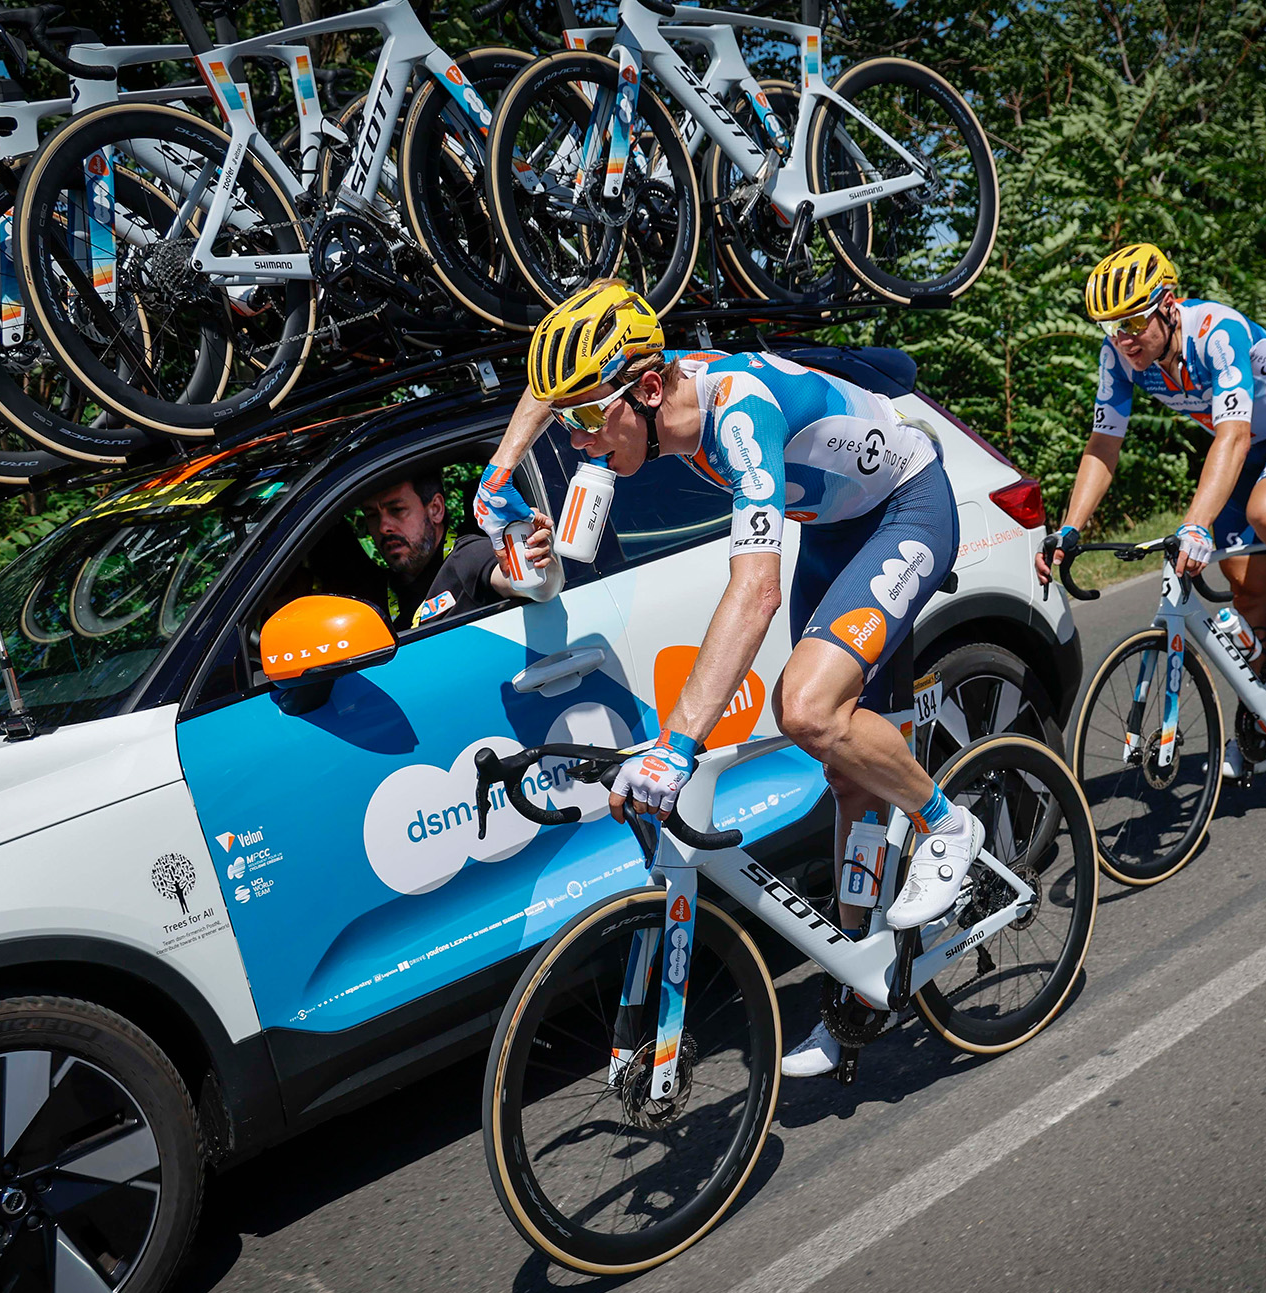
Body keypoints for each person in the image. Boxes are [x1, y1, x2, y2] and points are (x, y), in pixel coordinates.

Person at [475, 281, 974, 1078]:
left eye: (584, 423)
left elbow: (755, 589)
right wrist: (496, 477)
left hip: (907, 507)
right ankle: (860, 987)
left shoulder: (738, 417)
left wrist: (675, 746)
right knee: (848, 779)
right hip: (839, 529)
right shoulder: (642, 385)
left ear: (644, 390)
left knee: (807, 707)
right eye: (569, 425)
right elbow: (547, 388)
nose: (574, 444)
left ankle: (948, 824)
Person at [1034, 243, 1266, 781]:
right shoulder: (1121, 358)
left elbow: (1233, 432)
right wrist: (1069, 528)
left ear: (1168, 304)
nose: (1124, 339)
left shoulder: (1217, 332)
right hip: (1242, 447)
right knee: (1246, 588)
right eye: (1112, 328)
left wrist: (1197, 523)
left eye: (1133, 321)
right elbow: (1103, 444)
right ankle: (1263, 718)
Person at [362, 468, 553, 629]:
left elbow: (541, 589)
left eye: (397, 510)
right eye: (371, 515)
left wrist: (537, 558)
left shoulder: (469, 556)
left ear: (435, 509)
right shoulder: (371, 594)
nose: (383, 527)